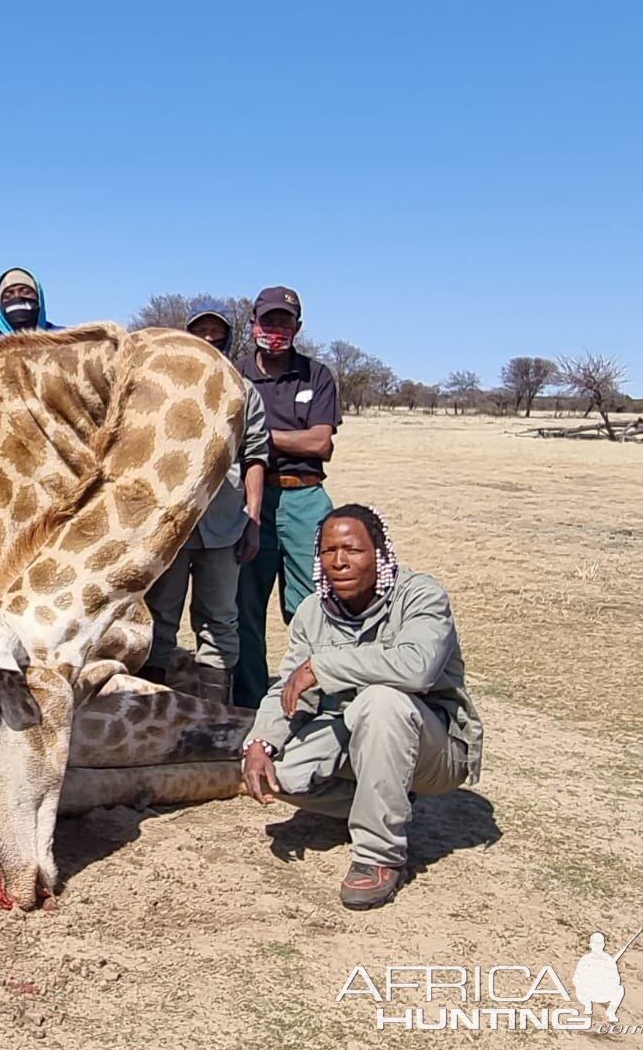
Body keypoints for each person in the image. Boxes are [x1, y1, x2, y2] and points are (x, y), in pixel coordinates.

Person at [240, 506, 482, 910]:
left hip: (435, 748)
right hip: (355, 731)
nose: (339, 561)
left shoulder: (421, 595)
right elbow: (291, 687)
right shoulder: (313, 613)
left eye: (352, 549)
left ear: (381, 554)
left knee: (382, 700)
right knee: (280, 775)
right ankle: (385, 801)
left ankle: (378, 857)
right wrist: (260, 742)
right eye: (328, 551)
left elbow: (417, 668)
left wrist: (324, 666)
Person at [142, 304, 269, 702]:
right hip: (172, 526)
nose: (210, 340)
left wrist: (253, 518)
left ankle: (217, 714)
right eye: (202, 333)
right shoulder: (165, 389)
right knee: (159, 618)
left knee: (219, 622)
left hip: (225, 523)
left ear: (229, 339)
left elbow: (255, 457)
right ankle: (152, 712)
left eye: (217, 333)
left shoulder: (243, 391)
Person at [234, 285, 341, 708]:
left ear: (297, 326)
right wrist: (287, 440)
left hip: (306, 499)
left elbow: (320, 445)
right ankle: (249, 705)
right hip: (250, 497)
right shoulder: (234, 373)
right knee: (244, 610)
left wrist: (257, 434)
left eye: (284, 322)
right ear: (252, 323)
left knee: (311, 607)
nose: (275, 330)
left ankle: (311, 700)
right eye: (268, 320)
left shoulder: (316, 374)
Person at [0, 266, 63, 340]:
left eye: (25, 292)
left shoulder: (64, 340)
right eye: (8, 295)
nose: (17, 297)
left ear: (39, 297)